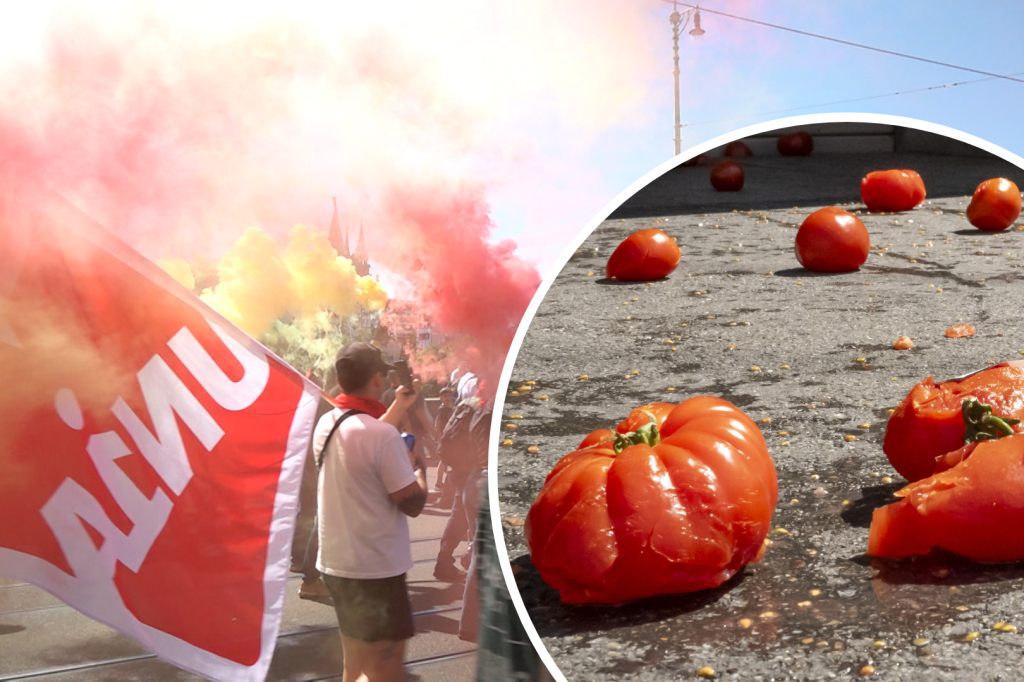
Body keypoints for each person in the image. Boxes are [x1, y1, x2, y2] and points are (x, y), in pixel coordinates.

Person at [313, 342, 428, 682]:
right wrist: (418, 470)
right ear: (377, 379)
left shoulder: (328, 424)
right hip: (376, 570)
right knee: (386, 670)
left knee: (354, 666)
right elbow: (413, 503)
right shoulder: (383, 437)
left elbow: (363, 436)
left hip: (337, 565)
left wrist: (398, 405)